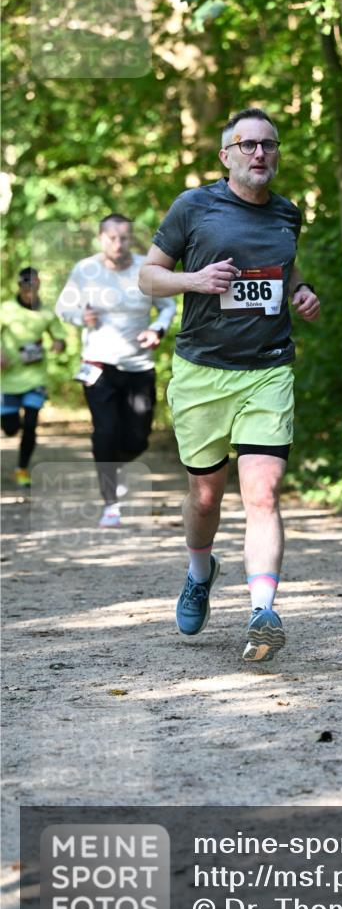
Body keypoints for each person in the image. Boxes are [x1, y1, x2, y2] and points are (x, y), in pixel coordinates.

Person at [139, 107, 320, 662]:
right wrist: (194, 280)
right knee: (206, 496)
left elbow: (285, 268)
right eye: (248, 145)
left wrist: (300, 290)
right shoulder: (193, 207)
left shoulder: (287, 213)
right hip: (202, 373)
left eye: (269, 144)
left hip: (268, 369)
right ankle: (200, 572)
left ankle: (263, 611)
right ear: (226, 155)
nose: (260, 153)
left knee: (262, 493)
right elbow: (148, 276)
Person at [56, 214, 176, 527]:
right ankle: (110, 503)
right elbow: (63, 308)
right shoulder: (85, 270)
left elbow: (167, 307)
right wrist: (81, 316)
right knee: (105, 432)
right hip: (98, 365)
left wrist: (157, 329)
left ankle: (112, 464)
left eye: (124, 238)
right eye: (112, 238)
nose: (118, 244)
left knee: (138, 440)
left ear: (131, 238)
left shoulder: (146, 268)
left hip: (139, 366)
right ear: (100, 238)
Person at [1, 268, 65, 487]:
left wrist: (59, 343)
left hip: (36, 377)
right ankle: (12, 421)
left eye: (34, 288)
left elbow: (59, 335)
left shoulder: (46, 312)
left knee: (30, 424)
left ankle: (21, 469)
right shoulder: (6, 309)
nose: (30, 292)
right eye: (26, 288)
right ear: (20, 287)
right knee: (11, 428)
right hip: (8, 378)